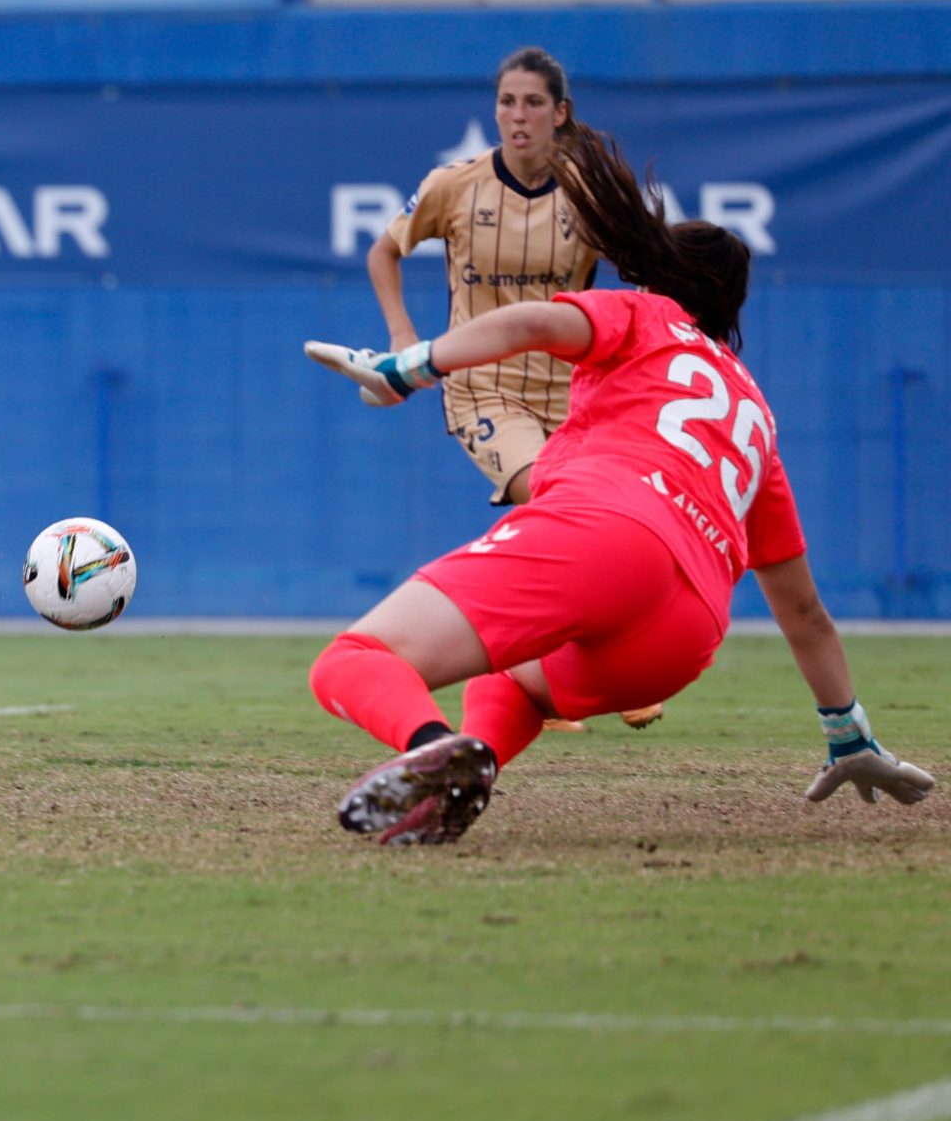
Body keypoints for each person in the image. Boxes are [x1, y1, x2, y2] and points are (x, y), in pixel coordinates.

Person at [302, 127, 934, 845]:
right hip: (685, 634)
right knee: (512, 680)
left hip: (609, 531)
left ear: (662, 278)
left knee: (352, 662)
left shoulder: (646, 315)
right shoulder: (755, 415)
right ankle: (466, 772)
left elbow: (536, 321)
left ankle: (426, 742)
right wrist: (848, 735)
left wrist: (409, 367)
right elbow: (805, 613)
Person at [365, 48, 658, 732]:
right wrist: (406, 339)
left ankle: (545, 669)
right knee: (559, 502)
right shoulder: (455, 185)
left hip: (577, 396)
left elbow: (646, 267)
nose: (516, 116)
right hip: (483, 387)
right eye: (506, 102)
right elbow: (384, 251)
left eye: (532, 103)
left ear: (560, 114)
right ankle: (568, 670)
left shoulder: (588, 193)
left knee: (606, 523)